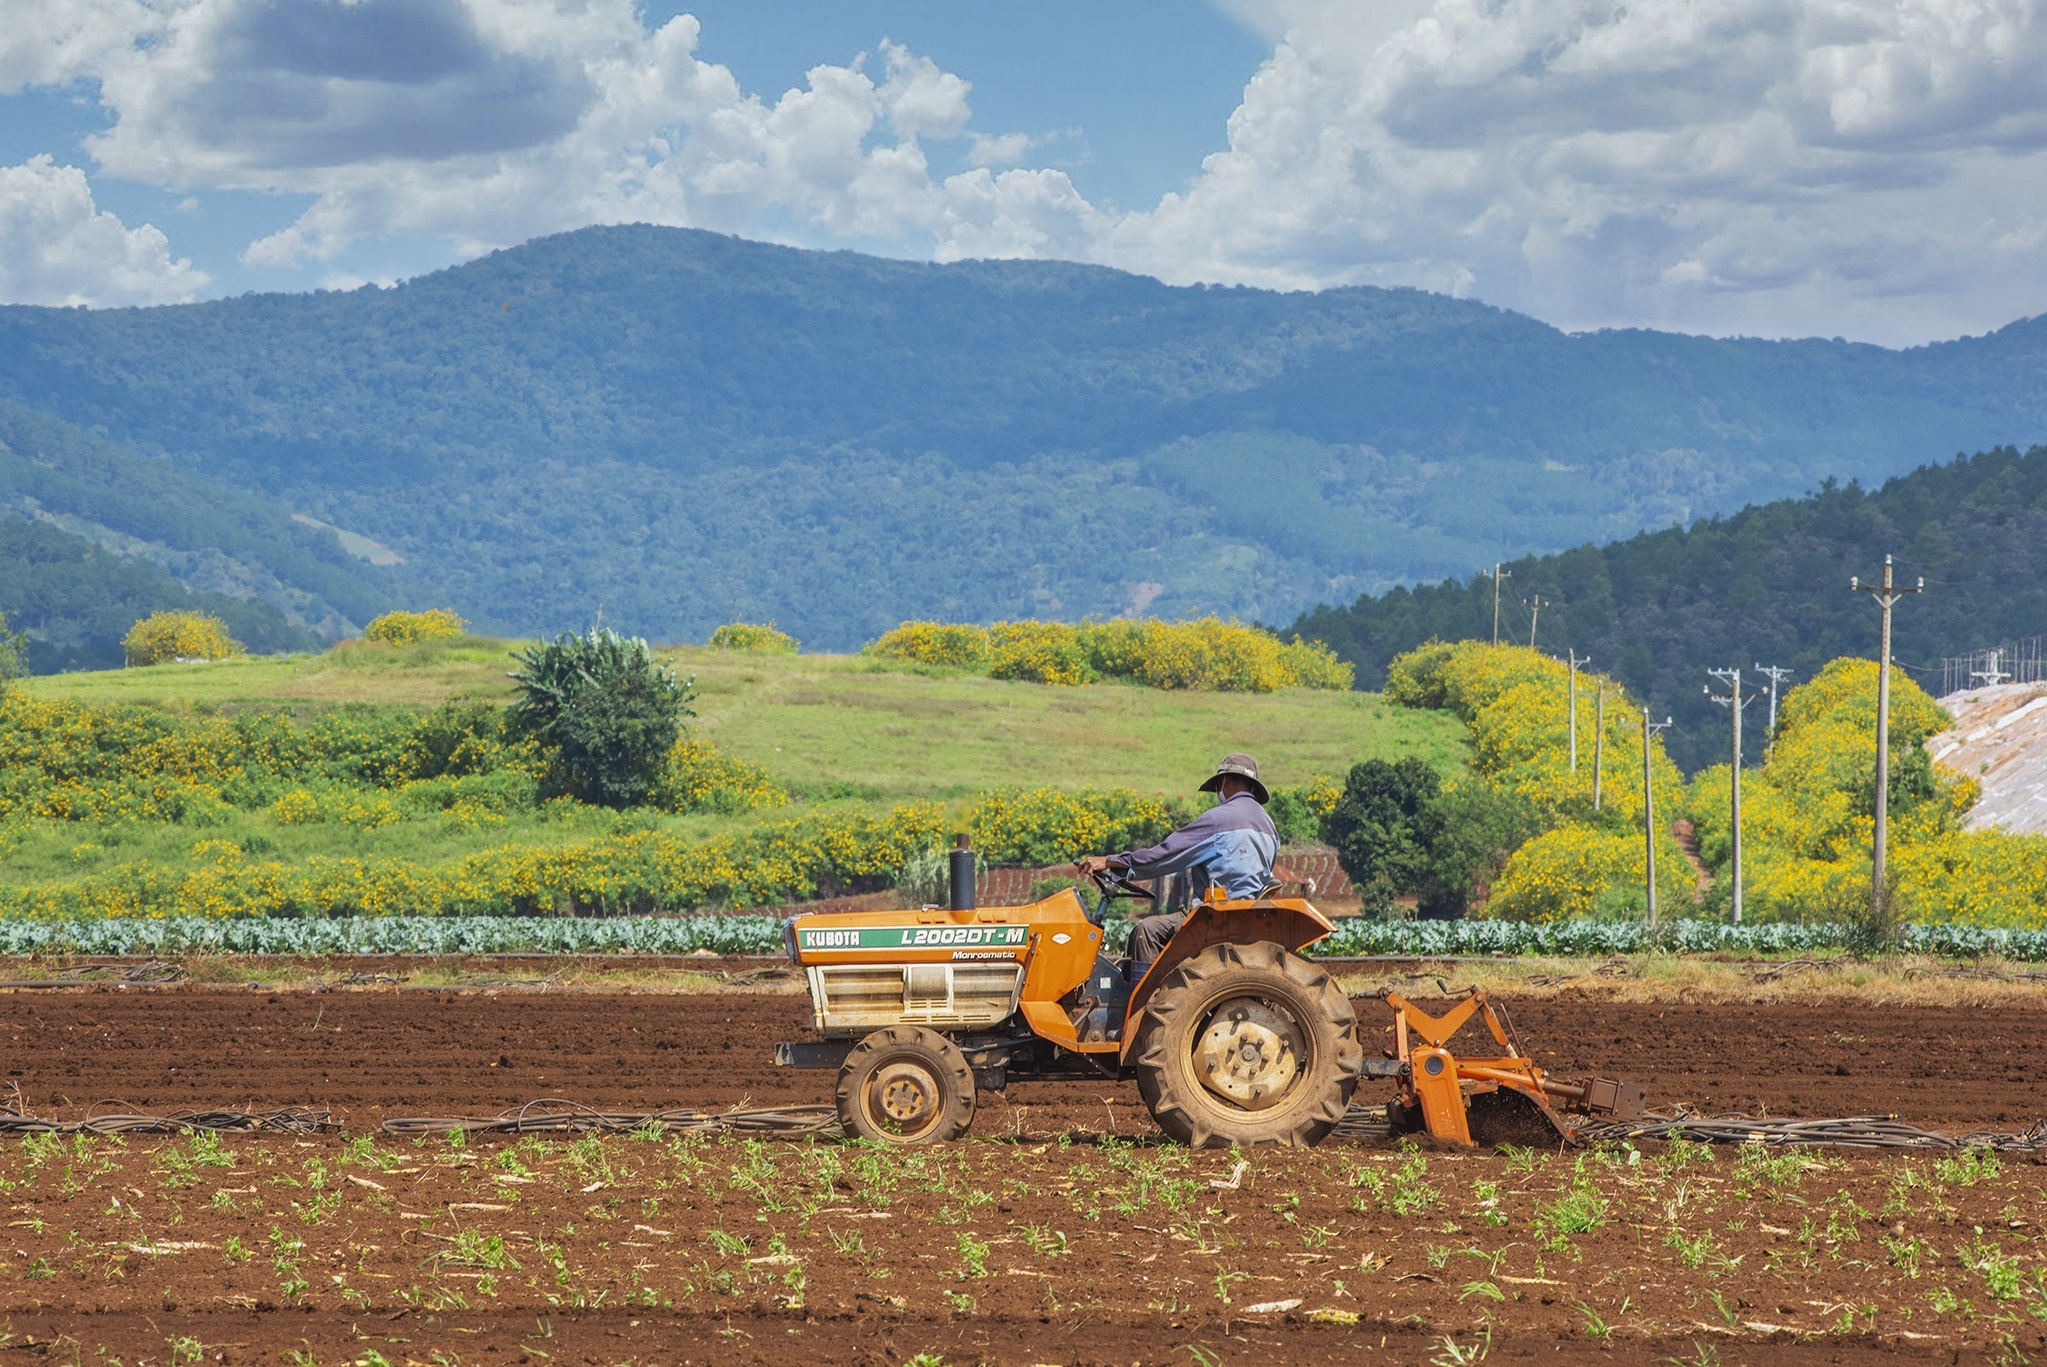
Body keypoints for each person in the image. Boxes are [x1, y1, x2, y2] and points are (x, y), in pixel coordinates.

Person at [1076, 753, 1279, 980]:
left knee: (1147, 931)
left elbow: (1166, 854)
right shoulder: (1269, 826)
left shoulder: (1218, 820)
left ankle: (1144, 1008)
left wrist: (1114, 861)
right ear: (1253, 786)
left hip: (1217, 918)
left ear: (1223, 781)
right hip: (1249, 917)